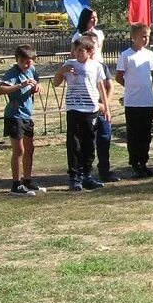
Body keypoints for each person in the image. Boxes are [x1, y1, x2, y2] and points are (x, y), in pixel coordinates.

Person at [54, 34, 111, 191]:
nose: (78, 54)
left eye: (81, 51)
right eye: (76, 50)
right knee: (74, 144)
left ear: (90, 51)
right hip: (74, 108)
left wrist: (106, 107)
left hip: (91, 109)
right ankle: (74, 177)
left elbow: (101, 87)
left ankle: (87, 175)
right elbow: (56, 83)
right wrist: (61, 71)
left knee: (89, 143)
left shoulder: (96, 66)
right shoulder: (69, 64)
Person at [72, 8, 117, 183]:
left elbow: (109, 86)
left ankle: (105, 170)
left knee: (104, 136)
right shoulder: (77, 66)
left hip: (101, 105)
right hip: (86, 107)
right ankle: (83, 173)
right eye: (92, 18)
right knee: (86, 140)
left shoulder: (101, 65)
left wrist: (106, 105)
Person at [115, 23, 153, 178]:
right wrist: (131, 86)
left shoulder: (150, 55)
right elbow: (119, 76)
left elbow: (151, 75)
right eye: (143, 36)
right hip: (133, 101)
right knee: (134, 133)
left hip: (147, 100)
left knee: (146, 133)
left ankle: (143, 162)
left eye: (147, 36)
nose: (145, 39)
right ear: (134, 37)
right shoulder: (126, 55)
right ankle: (134, 163)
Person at [0, 45, 43, 194]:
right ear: (17, 60)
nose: (26, 64)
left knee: (30, 148)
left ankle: (27, 180)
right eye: (23, 61)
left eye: (29, 61)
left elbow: (36, 81)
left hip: (27, 115)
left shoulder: (32, 70)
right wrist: (19, 85)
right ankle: (16, 184)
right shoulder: (13, 73)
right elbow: (0, 90)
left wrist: (37, 86)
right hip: (14, 116)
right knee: (19, 150)